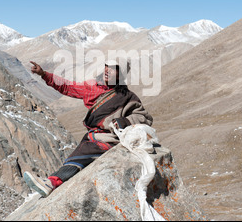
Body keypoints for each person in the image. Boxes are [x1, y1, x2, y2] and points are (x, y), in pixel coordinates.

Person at [23, 59, 153, 197]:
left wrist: (124, 121)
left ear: (120, 75)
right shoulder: (92, 88)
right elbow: (67, 87)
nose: (107, 70)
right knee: (82, 151)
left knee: (83, 153)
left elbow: (145, 117)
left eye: (113, 68)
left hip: (111, 139)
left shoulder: (127, 97)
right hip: (93, 137)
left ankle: (51, 182)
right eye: (106, 66)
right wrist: (43, 74)